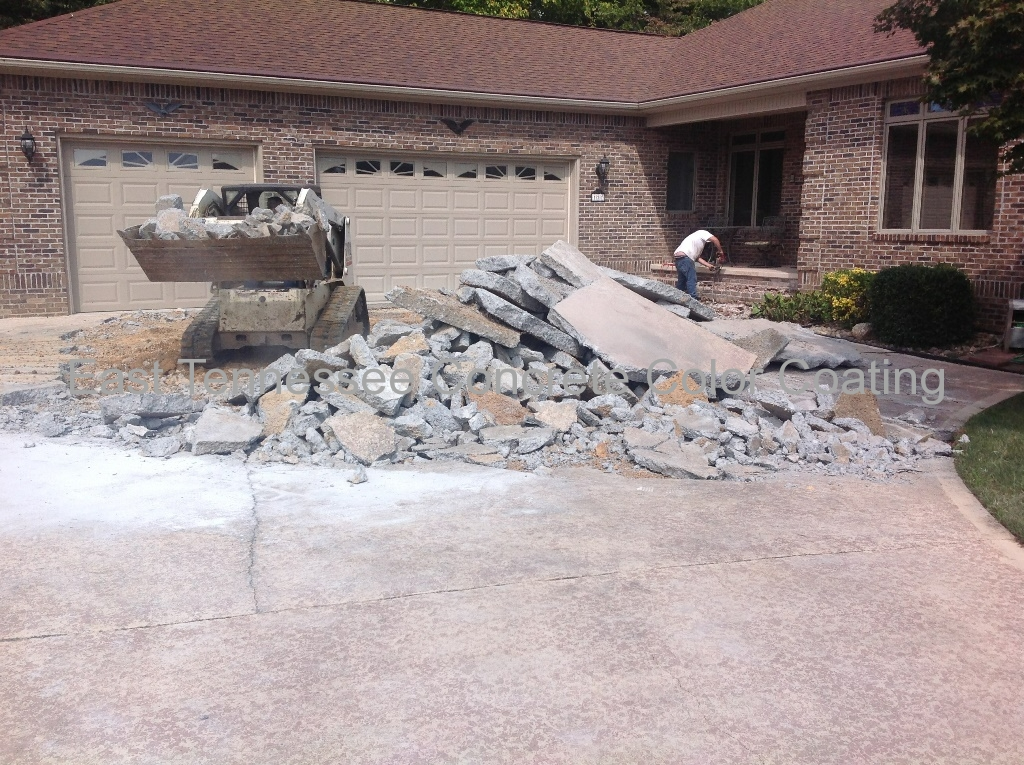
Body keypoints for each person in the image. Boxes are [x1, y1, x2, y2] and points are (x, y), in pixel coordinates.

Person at [673, 229, 724, 300]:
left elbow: (697, 258)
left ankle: (676, 298)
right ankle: (693, 299)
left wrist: (708, 265)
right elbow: (715, 240)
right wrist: (720, 251)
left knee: (682, 280)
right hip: (686, 258)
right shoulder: (702, 233)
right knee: (691, 278)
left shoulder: (694, 239)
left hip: (679, 259)